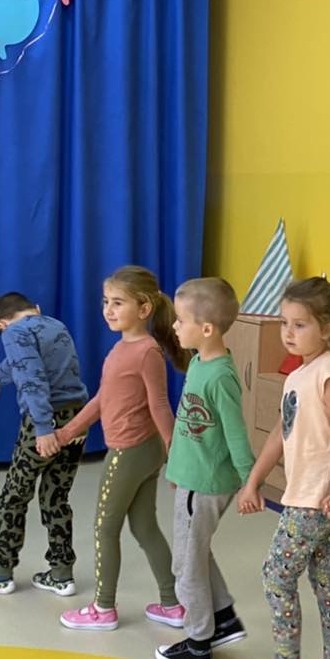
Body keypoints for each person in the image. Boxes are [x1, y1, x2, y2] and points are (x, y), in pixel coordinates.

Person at [233, 277, 330, 659]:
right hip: (311, 497)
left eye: (299, 325)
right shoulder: (299, 374)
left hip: (315, 501)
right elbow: (279, 433)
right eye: (284, 323)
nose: (288, 333)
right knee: (326, 581)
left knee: (276, 576)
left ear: (328, 328)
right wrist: (254, 480)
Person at [57, 266, 187, 630]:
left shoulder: (146, 352)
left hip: (130, 452)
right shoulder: (122, 348)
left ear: (144, 308)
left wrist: (176, 457)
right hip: (140, 451)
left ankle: (103, 608)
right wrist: (68, 432)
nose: (108, 310)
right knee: (144, 527)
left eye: (118, 303)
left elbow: (160, 405)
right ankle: (172, 605)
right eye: (106, 302)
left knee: (104, 527)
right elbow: (103, 399)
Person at [154, 277, 255, 659]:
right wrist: (176, 466)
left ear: (207, 328)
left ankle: (198, 641)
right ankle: (223, 617)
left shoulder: (221, 376)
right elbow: (188, 424)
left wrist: (250, 481)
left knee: (185, 565)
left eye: (181, 321)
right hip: (191, 477)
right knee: (196, 551)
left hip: (206, 484)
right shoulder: (199, 362)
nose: (175, 326)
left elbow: (235, 432)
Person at [0, 292, 88, 596]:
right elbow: (18, 364)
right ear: (36, 310)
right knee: (56, 497)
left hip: (44, 422)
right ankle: (61, 574)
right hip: (77, 417)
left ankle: (0, 573)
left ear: (1, 324)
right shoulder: (54, 325)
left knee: (13, 497)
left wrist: (43, 428)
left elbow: (32, 377)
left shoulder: (14, 332)